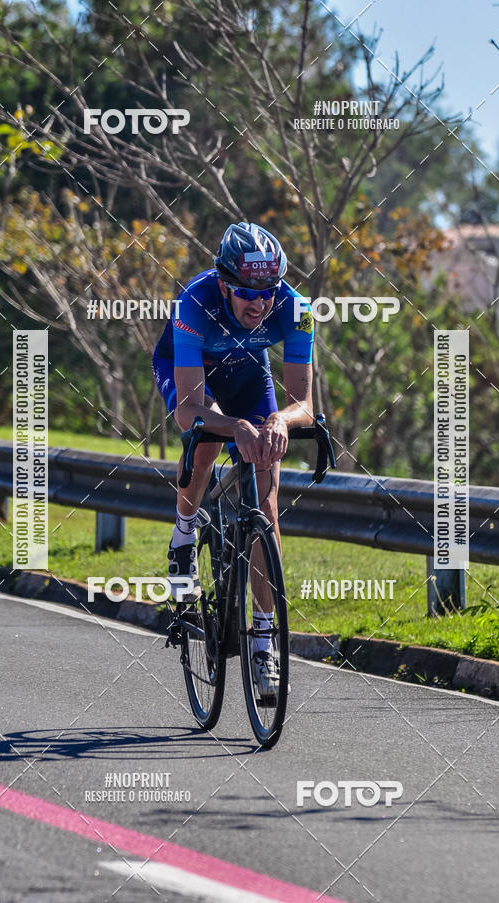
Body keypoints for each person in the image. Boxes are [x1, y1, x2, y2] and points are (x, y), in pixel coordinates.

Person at [152, 222, 314, 696]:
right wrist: (232, 426)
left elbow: (303, 402)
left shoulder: (297, 308)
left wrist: (278, 422)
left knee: (267, 501)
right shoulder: (193, 303)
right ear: (224, 283)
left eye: (269, 292)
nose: (260, 304)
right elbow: (188, 411)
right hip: (190, 373)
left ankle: (263, 642)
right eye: (247, 292)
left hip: (248, 374)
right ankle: (184, 534)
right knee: (203, 444)